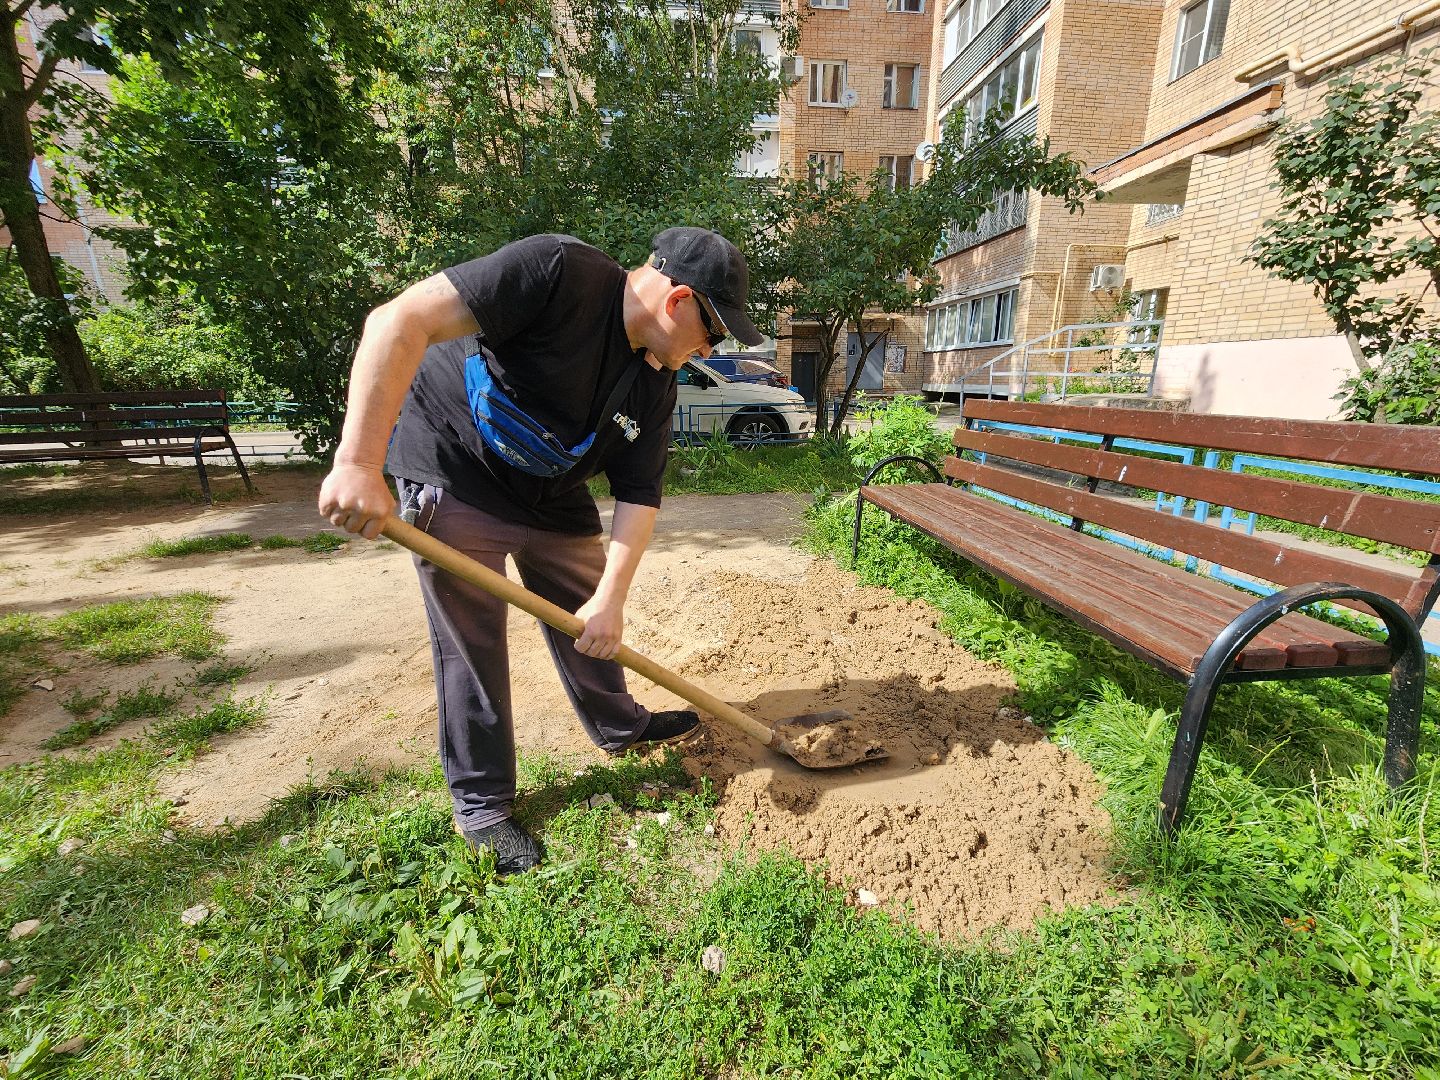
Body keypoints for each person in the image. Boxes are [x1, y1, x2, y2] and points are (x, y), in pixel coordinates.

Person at [317, 228, 765, 873]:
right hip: (457, 461)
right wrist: (359, 462)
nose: (710, 350)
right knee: (472, 636)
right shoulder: (558, 272)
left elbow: (640, 495)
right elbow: (398, 320)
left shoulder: (654, 380)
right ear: (678, 301)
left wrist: (610, 601)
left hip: (549, 482)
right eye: (713, 331)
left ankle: (619, 725)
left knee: (588, 599)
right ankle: (483, 805)